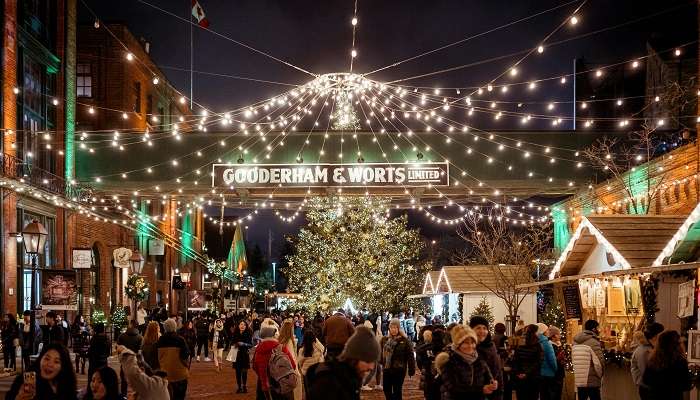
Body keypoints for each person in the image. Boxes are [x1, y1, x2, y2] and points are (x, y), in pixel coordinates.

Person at [306, 326, 381, 400]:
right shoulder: (329, 381)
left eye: (373, 361)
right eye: (367, 360)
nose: (371, 366)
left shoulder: (350, 378)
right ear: (354, 358)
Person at [436, 325, 497, 400]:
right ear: (458, 344)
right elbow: (453, 388)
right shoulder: (449, 361)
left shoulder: (479, 359)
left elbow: (488, 378)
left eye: (473, 342)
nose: (470, 346)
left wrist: (492, 384)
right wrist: (481, 390)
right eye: (466, 343)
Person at [6, 343, 77, 400]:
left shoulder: (67, 384)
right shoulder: (23, 381)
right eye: (47, 358)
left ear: (63, 367)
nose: (50, 364)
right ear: (40, 359)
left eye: (56, 361)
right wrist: (18, 398)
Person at [642, 330, 692, 400]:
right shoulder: (680, 361)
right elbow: (686, 385)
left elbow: (646, 380)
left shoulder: (653, 360)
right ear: (676, 345)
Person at [252, 325, 296, 400]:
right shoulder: (281, 348)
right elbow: (292, 365)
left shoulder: (257, 350)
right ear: (273, 335)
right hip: (280, 383)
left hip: (263, 384)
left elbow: (254, 367)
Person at [380, 318, 416, 400]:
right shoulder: (385, 339)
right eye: (392, 327)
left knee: (397, 391)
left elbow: (410, 355)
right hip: (387, 369)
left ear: (399, 328)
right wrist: (381, 362)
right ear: (389, 328)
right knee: (386, 389)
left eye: (395, 327)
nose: (393, 330)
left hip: (399, 369)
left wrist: (411, 369)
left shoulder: (405, 340)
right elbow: (381, 353)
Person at [470, 316, 504, 400]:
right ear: (471, 329)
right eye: (478, 328)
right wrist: (480, 389)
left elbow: (498, 372)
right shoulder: (468, 348)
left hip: (494, 393)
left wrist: (499, 393)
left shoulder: (491, 346)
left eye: (484, 328)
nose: (482, 331)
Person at [157, 318, 190, 400]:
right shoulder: (180, 340)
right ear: (175, 327)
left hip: (164, 374)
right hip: (180, 374)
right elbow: (185, 356)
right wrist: (187, 366)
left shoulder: (160, 341)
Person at [572, 320, 605, 400]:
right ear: (594, 329)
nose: (599, 330)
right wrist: (601, 375)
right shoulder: (594, 342)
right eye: (598, 327)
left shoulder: (576, 342)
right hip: (591, 379)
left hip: (579, 380)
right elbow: (599, 363)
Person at [631, 322, 664, 399]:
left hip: (651, 387)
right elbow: (646, 372)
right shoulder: (644, 351)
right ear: (655, 336)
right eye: (661, 334)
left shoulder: (651, 348)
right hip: (648, 388)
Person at [511, 324, 542, 400]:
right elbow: (538, 361)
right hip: (533, 377)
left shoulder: (520, 343)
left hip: (520, 377)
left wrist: (518, 373)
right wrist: (527, 373)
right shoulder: (537, 345)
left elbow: (515, 360)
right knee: (532, 397)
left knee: (521, 396)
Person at [278, 319, 303, 400]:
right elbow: (292, 357)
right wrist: (296, 371)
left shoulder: (279, 340)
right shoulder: (289, 341)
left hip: (281, 369)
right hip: (290, 369)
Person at [117, 319, 144, 395]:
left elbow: (118, 348)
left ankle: (123, 395)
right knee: (135, 382)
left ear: (130, 325)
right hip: (135, 363)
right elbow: (140, 351)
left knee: (124, 381)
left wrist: (120, 357)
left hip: (124, 362)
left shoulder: (122, 336)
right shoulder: (140, 337)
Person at [87, 322, 110, 398]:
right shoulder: (107, 338)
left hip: (94, 363)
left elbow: (90, 352)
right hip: (103, 363)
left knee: (92, 381)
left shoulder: (94, 338)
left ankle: (91, 395)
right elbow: (108, 353)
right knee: (102, 381)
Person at [535, 323, 557, 400]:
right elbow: (552, 359)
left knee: (541, 394)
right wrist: (555, 369)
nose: (548, 331)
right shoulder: (547, 343)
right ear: (543, 331)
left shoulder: (535, 342)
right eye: (547, 330)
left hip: (538, 373)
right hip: (548, 374)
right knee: (548, 395)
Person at [231, 319, 253, 393]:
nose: (242, 326)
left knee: (244, 371)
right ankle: (239, 387)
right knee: (237, 372)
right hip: (236, 354)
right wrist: (236, 344)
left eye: (244, 324)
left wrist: (243, 344)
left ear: (246, 326)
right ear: (238, 326)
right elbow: (232, 343)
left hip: (244, 354)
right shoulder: (235, 333)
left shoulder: (248, 333)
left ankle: (244, 386)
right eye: (241, 324)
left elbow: (250, 345)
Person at [546, 326, 566, 400]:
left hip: (559, 373)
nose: (560, 336)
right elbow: (552, 360)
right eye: (558, 334)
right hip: (555, 374)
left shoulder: (558, 345)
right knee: (554, 394)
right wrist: (559, 358)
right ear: (553, 336)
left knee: (558, 393)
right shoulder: (551, 346)